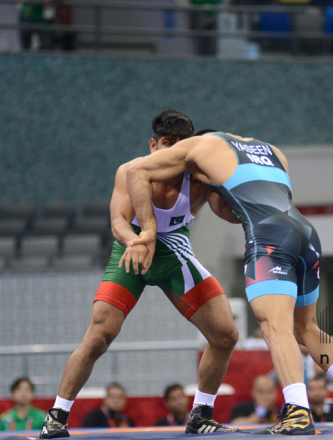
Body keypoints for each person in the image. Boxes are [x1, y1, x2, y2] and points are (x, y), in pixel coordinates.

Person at [125, 131, 333, 434]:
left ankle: (298, 411)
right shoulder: (272, 150)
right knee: (307, 327)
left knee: (276, 327)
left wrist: (148, 230)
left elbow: (136, 170)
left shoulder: (201, 145)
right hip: (305, 233)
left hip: (269, 238)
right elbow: (269, 197)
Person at [39, 110, 241, 438]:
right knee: (99, 336)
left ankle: (200, 413)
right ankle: (57, 417)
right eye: (166, 144)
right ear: (152, 144)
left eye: (180, 145)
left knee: (225, 335)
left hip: (174, 254)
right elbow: (118, 220)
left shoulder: (200, 177)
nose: (172, 151)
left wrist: (245, 203)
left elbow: (226, 212)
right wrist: (134, 241)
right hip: (130, 252)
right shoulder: (131, 171)